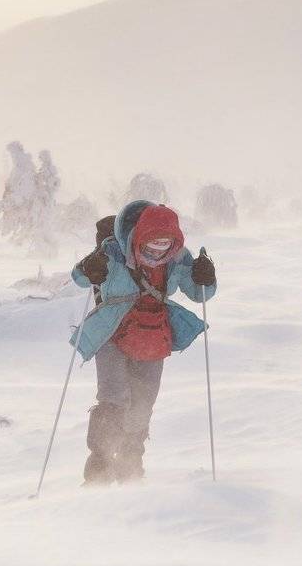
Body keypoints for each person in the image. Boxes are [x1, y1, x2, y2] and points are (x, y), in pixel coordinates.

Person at [69, 199, 217, 484]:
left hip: (153, 336)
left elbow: (199, 294)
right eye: (151, 246)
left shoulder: (178, 257)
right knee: (114, 398)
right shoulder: (113, 250)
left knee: (142, 405)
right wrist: (91, 267)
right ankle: (99, 467)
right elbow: (79, 277)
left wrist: (205, 278)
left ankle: (130, 468)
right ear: (138, 238)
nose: (157, 253)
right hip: (112, 332)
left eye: (165, 246)